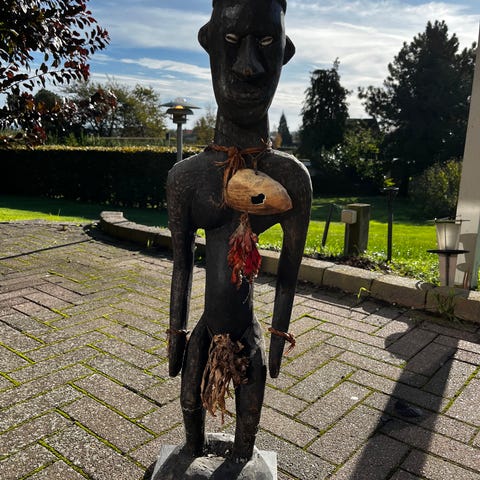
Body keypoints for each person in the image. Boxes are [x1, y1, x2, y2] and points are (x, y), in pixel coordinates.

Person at [166, 0, 312, 463]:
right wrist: (176, 336)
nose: (249, 66)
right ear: (208, 42)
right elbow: (182, 267)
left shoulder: (290, 179)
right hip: (207, 327)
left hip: (247, 329)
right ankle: (192, 450)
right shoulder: (188, 179)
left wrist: (276, 339)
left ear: (285, 52)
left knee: (250, 411)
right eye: (231, 41)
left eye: (266, 42)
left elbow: (288, 276)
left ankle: (243, 457)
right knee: (189, 400)